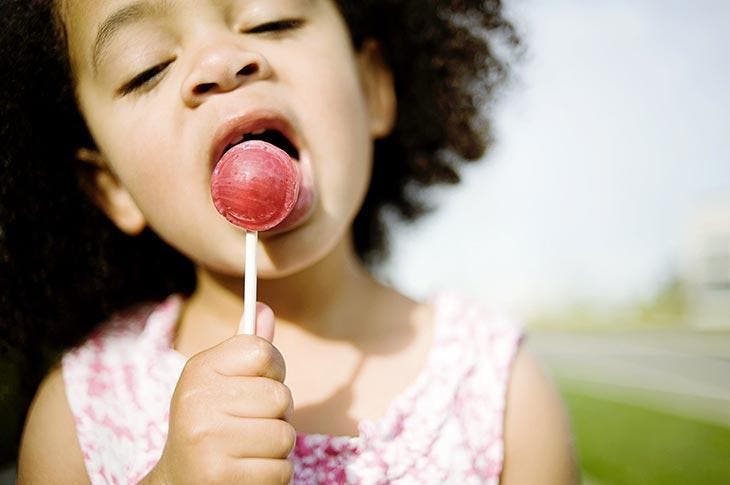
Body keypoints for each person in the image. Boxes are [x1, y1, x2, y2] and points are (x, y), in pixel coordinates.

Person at [1, 0, 576, 483]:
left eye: (270, 20)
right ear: (111, 186)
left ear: (373, 87)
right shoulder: (78, 415)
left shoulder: (499, 393)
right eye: (147, 67)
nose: (222, 62)